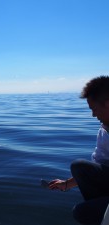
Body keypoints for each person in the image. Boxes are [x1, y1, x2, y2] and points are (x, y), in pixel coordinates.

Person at [47, 75, 109, 225]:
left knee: (82, 212)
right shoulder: (104, 131)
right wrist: (66, 184)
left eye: (94, 109)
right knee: (79, 166)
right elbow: (98, 168)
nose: (93, 115)